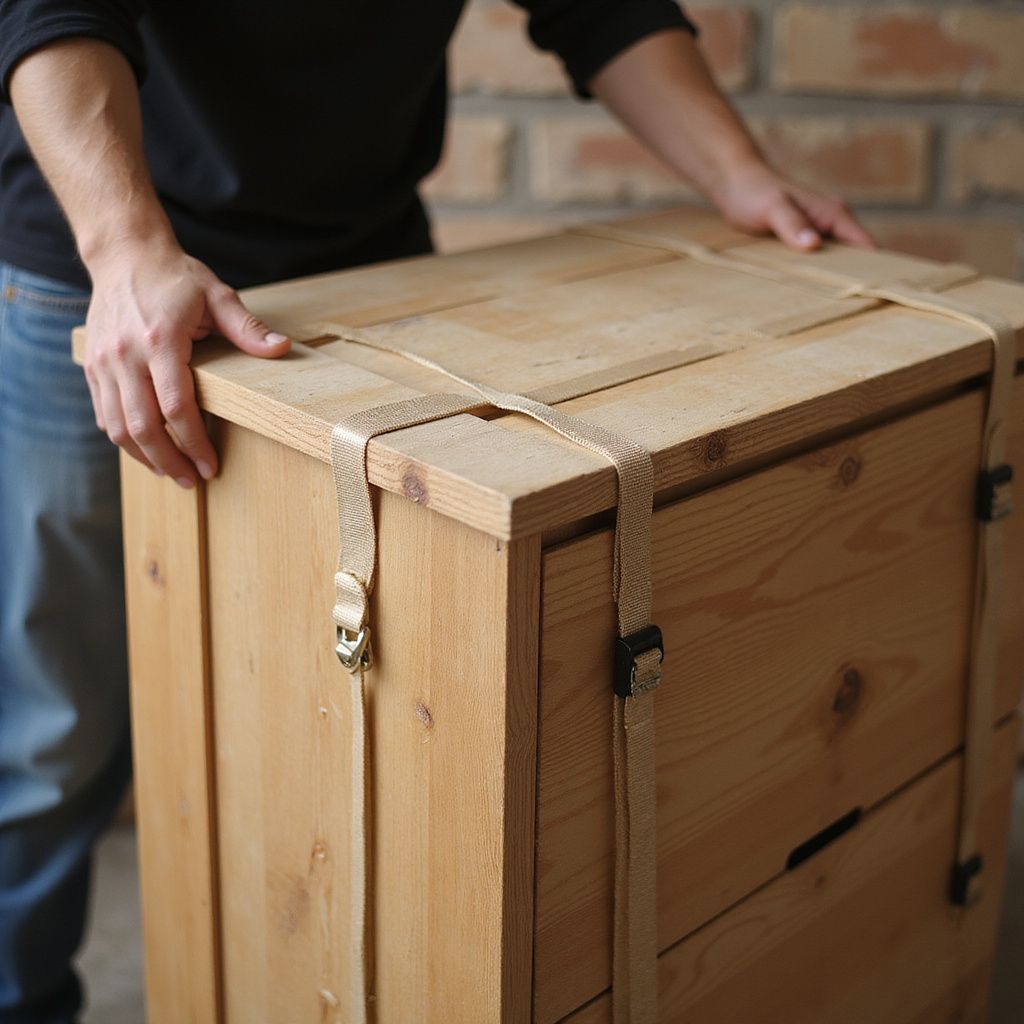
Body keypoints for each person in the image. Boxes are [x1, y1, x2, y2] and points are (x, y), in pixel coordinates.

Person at [0, 2, 874, 1020]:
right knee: (53, 736)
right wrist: (122, 248)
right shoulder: (113, 255)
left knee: (360, 727)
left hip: (363, 268)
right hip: (112, 276)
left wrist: (737, 173)